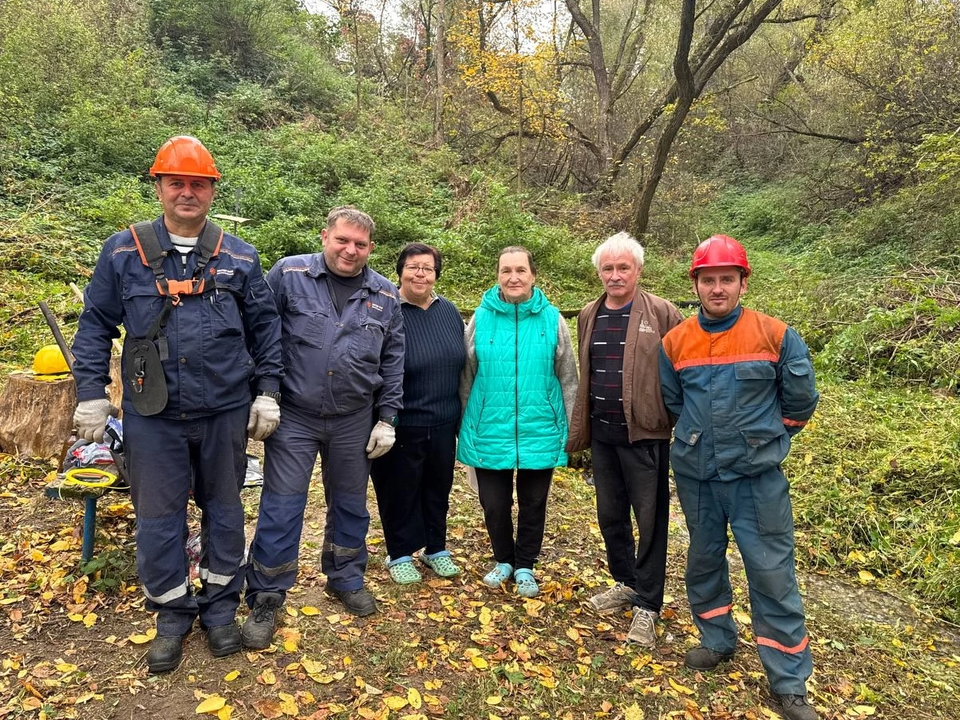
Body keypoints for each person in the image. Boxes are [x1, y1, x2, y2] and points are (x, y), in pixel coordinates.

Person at [71, 135, 284, 674]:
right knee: (158, 520)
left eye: (198, 184)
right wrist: (92, 395)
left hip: (223, 412)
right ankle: (171, 614)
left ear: (211, 190)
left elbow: (266, 329)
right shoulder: (123, 251)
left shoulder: (239, 255)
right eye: (176, 183)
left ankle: (218, 611)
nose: (187, 192)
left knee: (225, 512)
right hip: (152, 416)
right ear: (160, 187)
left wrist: (267, 392)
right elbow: (95, 325)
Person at [659, 235, 819, 720]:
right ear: (697, 285)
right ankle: (716, 639)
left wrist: (766, 440)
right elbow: (673, 403)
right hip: (698, 476)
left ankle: (789, 681)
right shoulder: (676, 340)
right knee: (704, 562)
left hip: (756, 480)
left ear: (743, 282)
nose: (717, 288)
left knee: (771, 573)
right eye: (708, 280)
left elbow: (801, 400)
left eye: (727, 279)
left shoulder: (774, 334)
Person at [242, 206, 404, 648]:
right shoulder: (288, 274)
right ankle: (268, 594)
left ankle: (345, 576)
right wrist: (265, 392)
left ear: (371, 249)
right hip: (293, 414)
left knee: (351, 504)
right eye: (342, 240)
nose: (350, 250)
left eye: (361, 244)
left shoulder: (386, 295)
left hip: (354, 418)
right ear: (325, 236)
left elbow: (393, 361)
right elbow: (262, 334)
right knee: (282, 504)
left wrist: (387, 419)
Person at [566, 231, 683, 647]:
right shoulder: (588, 314)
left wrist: (679, 419)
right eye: (608, 268)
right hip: (603, 435)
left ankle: (649, 605)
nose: (615, 275)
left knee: (650, 522)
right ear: (599, 272)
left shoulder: (664, 313)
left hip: (646, 435)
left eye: (623, 268)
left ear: (638, 270)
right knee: (609, 516)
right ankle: (625, 582)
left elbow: (684, 368)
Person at [457, 246, 578, 599]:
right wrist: (466, 423)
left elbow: (568, 377)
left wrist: (569, 429)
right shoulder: (481, 318)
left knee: (533, 502)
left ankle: (525, 563)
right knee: (493, 503)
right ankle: (503, 559)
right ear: (497, 275)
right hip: (488, 428)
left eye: (520, 270)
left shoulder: (552, 319)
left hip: (540, 427)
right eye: (506, 270)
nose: (513, 277)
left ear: (532, 276)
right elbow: (467, 375)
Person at [370, 243, 465, 584]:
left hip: (443, 420)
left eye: (427, 268)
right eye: (413, 267)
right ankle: (398, 553)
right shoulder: (386, 309)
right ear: (400, 271)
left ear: (436, 274)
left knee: (438, 487)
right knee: (399, 489)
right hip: (401, 420)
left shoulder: (449, 311)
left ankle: (435, 548)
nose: (420, 274)